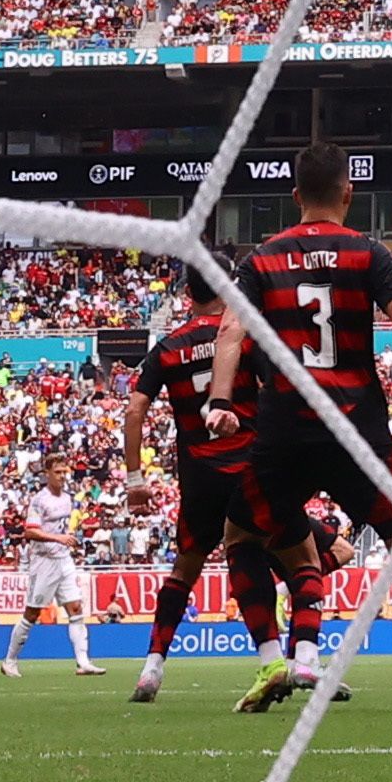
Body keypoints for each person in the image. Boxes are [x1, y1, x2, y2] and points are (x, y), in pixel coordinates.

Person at [208, 142, 392, 714]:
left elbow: (230, 331)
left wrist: (219, 401)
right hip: (356, 430)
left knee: (240, 538)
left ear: (295, 195)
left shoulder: (263, 258)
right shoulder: (367, 252)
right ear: (349, 193)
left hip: (286, 430)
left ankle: (271, 659)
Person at [117, 259, 289, 703]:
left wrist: (135, 479)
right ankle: (292, 659)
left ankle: (152, 668)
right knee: (292, 556)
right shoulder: (244, 336)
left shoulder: (168, 347)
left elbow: (134, 410)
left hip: (199, 474)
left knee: (185, 569)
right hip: (248, 466)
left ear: (187, 294)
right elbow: (278, 391)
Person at [1, 454, 99, 677]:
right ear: (47, 474)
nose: (62, 476)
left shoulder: (67, 498)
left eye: (65, 472)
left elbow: (60, 527)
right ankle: (10, 660)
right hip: (43, 561)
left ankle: (83, 662)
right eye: (58, 472)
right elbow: (29, 531)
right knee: (32, 613)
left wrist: (67, 538)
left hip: (63, 559)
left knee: (76, 608)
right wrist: (59, 538)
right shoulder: (39, 500)